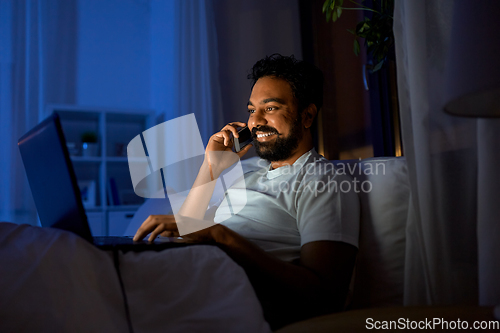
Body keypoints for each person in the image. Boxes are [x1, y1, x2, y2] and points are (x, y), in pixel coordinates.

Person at [134, 54, 360, 330]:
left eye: (271, 108)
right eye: (252, 110)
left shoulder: (324, 180)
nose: (256, 121)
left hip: (230, 298)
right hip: (185, 273)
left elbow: (324, 298)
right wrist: (211, 166)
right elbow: (189, 228)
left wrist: (219, 235)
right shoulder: (247, 169)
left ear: (307, 115)